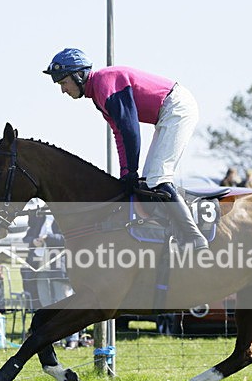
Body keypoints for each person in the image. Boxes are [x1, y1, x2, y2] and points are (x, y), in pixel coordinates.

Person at [43, 48, 208, 251]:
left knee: (158, 179)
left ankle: (194, 238)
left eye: (63, 82)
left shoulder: (105, 83)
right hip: (167, 112)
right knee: (149, 182)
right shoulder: (98, 94)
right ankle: (173, 232)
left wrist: (131, 171)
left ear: (79, 75)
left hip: (176, 107)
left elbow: (131, 131)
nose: (63, 90)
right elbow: (120, 135)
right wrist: (125, 174)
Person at [21, 209, 79, 349]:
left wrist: (48, 238)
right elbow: (27, 237)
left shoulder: (65, 216)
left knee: (64, 303)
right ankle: (52, 337)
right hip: (39, 267)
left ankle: (72, 339)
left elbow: (69, 238)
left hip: (59, 266)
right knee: (45, 304)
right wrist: (34, 241)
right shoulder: (39, 217)